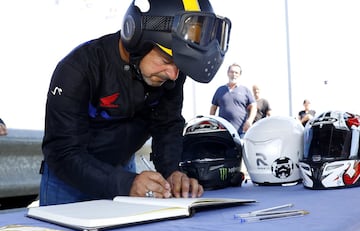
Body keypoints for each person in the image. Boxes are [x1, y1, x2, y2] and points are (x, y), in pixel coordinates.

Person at [40, 0, 232, 206]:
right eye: (167, 61)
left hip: (123, 171)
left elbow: (167, 125)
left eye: (179, 66)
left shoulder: (170, 74)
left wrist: (172, 172)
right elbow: (62, 151)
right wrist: (126, 184)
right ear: (136, 40)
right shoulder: (78, 68)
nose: (174, 75)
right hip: (69, 179)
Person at [209, 63, 257, 138]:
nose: (234, 74)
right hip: (224, 132)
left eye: (236, 72)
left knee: (242, 149)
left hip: (242, 132)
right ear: (228, 73)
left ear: (240, 75)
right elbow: (213, 108)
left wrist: (249, 121)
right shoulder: (220, 90)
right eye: (231, 72)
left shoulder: (245, 90)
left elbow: (253, 106)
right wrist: (211, 123)